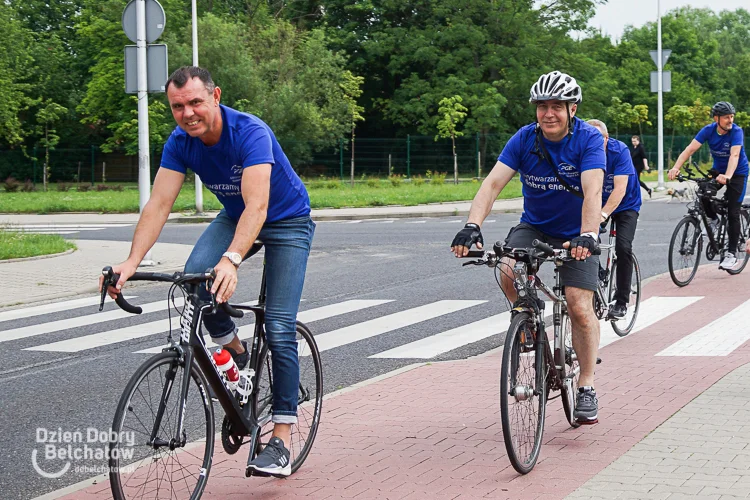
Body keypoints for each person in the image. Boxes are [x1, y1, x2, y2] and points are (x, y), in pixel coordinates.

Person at [98, 66, 315, 477]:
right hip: (235, 216)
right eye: (178, 106)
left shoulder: (250, 132)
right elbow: (159, 204)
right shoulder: (181, 143)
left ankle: (281, 438)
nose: (188, 113)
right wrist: (131, 262)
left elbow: (259, 207)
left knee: (281, 327)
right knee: (195, 279)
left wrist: (232, 259)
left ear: (215, 95)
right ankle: (235, 350)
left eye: (196, 102)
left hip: (286, 221)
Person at [451, 71, 605, 424]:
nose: (549, 113)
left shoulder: (588, 140)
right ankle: (527, 316)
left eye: (557, 107)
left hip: (576, 232)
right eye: (542, 106)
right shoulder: (524, 139)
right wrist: (472, 226)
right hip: (534, 227)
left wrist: (588, 235)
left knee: (580, 306)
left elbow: (593, 190)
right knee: (504, 266)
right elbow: (492, 185)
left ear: (572, 108)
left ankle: (586, 386)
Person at [668, 101, 749, 270]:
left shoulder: (736, 131)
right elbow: (690, 149)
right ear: (716, 118)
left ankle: (731, 254)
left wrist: (727, 176)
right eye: (726, 117)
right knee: (703, 190)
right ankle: (713, 219)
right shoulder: (708, 130)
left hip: (738, 173)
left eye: (732, 116)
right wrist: (676, 167)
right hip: (718, 170)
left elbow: (734, 155)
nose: (730, 120)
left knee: (733, 212)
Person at [588, 120, 642, 319]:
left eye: (597, 139)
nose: (591, 143)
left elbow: (619, 189)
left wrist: (602, 215)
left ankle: (621, 301)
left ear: (606, 139)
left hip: (626, 203)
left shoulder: (619, 151)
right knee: (586, 238)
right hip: (597, 201)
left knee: (623, 247)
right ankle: (597, 272)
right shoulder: (581, 151)